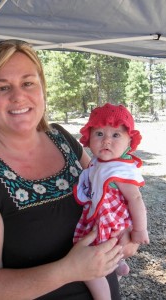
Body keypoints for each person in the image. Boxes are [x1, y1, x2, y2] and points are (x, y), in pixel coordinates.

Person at [0, 40, 137, 300]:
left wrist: (129, 232)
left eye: (28, 83)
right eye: (2, 87)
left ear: (41, 88)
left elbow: (107, 190)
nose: (18, 96)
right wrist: (68, 270)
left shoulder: (63, 140)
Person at [73, 103, 149, 300]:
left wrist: (139, 230)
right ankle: (118, 265)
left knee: (88, 264)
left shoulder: (119, 170)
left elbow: (136, 198)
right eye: (99, 134)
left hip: (111, 223)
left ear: (129, 141)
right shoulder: (99, 164)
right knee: (104, 255)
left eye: (116, 135)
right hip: (101, 221)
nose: (106, 140)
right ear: (89, 139)